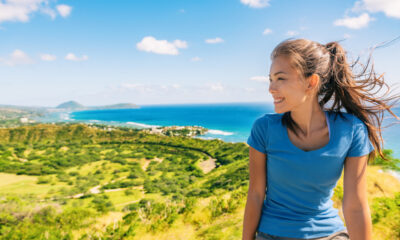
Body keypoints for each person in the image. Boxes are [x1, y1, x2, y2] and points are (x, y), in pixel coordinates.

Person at [242, 38, 400, 240]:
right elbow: (255, 195)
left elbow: (355, 205)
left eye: (280, 78)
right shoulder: (264, 128)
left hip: (330, 235)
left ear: (312, 82)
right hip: (271, 234)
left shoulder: (351, 130)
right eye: (270, 79)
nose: (271, 88)